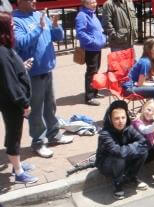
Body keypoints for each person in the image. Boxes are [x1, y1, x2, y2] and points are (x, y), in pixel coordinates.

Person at [13, 0, 73, 159]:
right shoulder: (15, 20)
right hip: (32, 74)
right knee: (36, 110)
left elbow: (58, 37)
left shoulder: (40, 15)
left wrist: (55, 24)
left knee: (50, 105)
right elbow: (20, 43)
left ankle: (53, 135)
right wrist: (39, 28)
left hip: (47, 69)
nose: (34, 1)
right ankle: (38, 142)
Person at [0, 11, 38, 184]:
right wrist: (24, 103)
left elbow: (11, 72)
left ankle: (17, 164)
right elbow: (10, 83)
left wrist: (22, 67)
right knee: (14, 135)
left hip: (12, 101)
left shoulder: (6, 48)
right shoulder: (2, 52)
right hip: (13, 103)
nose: (14, 26)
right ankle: (18, 172)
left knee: (14, 132)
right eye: (11, 24)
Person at [95, 100, 149, 200]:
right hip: (106, 164)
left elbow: (143, 141)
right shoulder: (104, 134)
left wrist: (129, 148)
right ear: (110, 119)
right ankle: (117, 183)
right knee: (119, 157)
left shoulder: (129, 128)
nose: (121, 121)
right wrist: (134, 147)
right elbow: (118, 152)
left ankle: (131, 177)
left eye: (123, 117)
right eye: (116, 118)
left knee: (144, 151)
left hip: (124, 158)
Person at [122, 38, 154, 117]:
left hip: (135, 85)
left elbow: (146, 78)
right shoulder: (146, 62)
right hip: (129, 89)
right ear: (150, 50)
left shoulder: (149, 60)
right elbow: (140, 84)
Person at [75, 0, 107, 106]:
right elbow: (80, 33)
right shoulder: (82, 15)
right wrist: (93, 41)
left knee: (95, 71)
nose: (95, 4)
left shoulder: (92, 14)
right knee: (91, 72)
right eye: (91, 2)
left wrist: (103, 38)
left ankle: (94, 92)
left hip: (97, 48)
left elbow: (98, 30)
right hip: (90, 49)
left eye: (95, 2)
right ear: (85, 4)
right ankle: (89, 97)